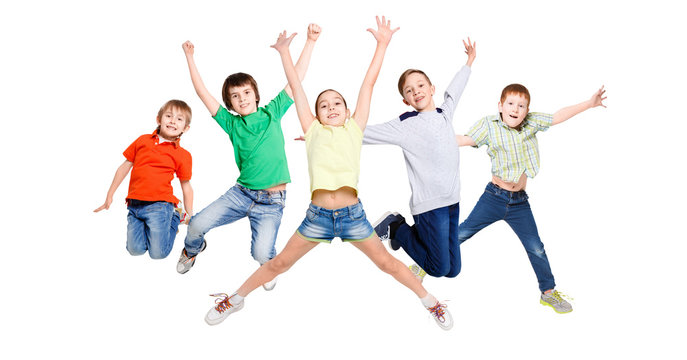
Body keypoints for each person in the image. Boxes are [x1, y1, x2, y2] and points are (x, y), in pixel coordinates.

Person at [204, 17, 453, 330]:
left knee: (387, 263)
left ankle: (431, 302)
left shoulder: (355, 128)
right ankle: (235, 298)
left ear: (348, 111)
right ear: (316, 115)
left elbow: (368, 84)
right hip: (317, 217)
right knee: (279, 262)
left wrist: (382, 44)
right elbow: (296, 86)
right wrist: (284, 53)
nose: (331, 107)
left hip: (352, 216)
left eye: (337, 103)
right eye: (324, 105)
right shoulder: (312, 130)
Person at [176, 25, 320, 291]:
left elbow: (296, 80)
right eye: (234, 96)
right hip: (241, 194)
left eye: (245, 93)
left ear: (255, 94)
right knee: (195, 225)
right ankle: (192, 250)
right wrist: (190, 57)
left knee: (262, 256)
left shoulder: (272, 112)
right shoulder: (231, 124)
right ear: (230, 104)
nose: (241, 99)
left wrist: (310, 41)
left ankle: (269, 265)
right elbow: (202, 93)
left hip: (271, 202)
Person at [455, 84, 607, 313]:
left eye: (521, 105)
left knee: (536, 247)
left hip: (519, 203)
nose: (515, 109)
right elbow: (464, 139)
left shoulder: (531, 123)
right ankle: (424, 263)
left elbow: (558, 116)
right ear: (500, 106)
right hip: (494, 197)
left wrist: (589, 103)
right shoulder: (489, 125)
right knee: (462, 232)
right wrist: (430, 137)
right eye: (510, 104)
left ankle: (548, 292)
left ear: (527, 110)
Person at [365, 39, 476, 282]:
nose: (416, 91)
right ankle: (397, 227)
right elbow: (364, 132)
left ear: (432, 88)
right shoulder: (405, 124)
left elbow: (456, 90)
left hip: (452, 202)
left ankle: (412, 236)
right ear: (406, 100)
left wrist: (469, 61)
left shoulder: (445, 113)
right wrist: (323, 133)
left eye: (420, 85)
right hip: (429, 206)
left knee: (453, 271)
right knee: (437, 269)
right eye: (409, 90)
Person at [94, 100, 194, 259]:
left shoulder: (183, 155)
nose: (173, 121)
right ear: (159, 119)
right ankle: (158, 229)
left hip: (160, 205)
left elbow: (186, 186)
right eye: (168, 116)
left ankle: (175, 216)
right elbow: (125, 166)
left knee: (158, 254)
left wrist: (190, 214)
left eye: (179, 119)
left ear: (185, 128)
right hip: (134, 205)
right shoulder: (142, 141)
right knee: (135, 250)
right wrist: (110, 194)